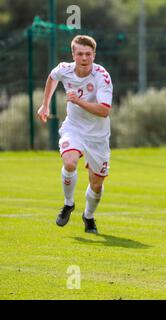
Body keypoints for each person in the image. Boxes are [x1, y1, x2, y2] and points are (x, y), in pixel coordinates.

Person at [37, 35, 113, 234]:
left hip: (98, 135)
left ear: (94, 55)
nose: (84, 58)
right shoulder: (64, 69)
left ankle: (88, 216)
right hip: (74, 128)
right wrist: (45, 105)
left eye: (88, 54)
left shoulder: (102, 76)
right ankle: (68, 204)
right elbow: (52, 78)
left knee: (96, 184)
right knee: (70, 162)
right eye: (80, 54)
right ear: (73, 54)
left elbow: (104, 110)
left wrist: (77, 101)